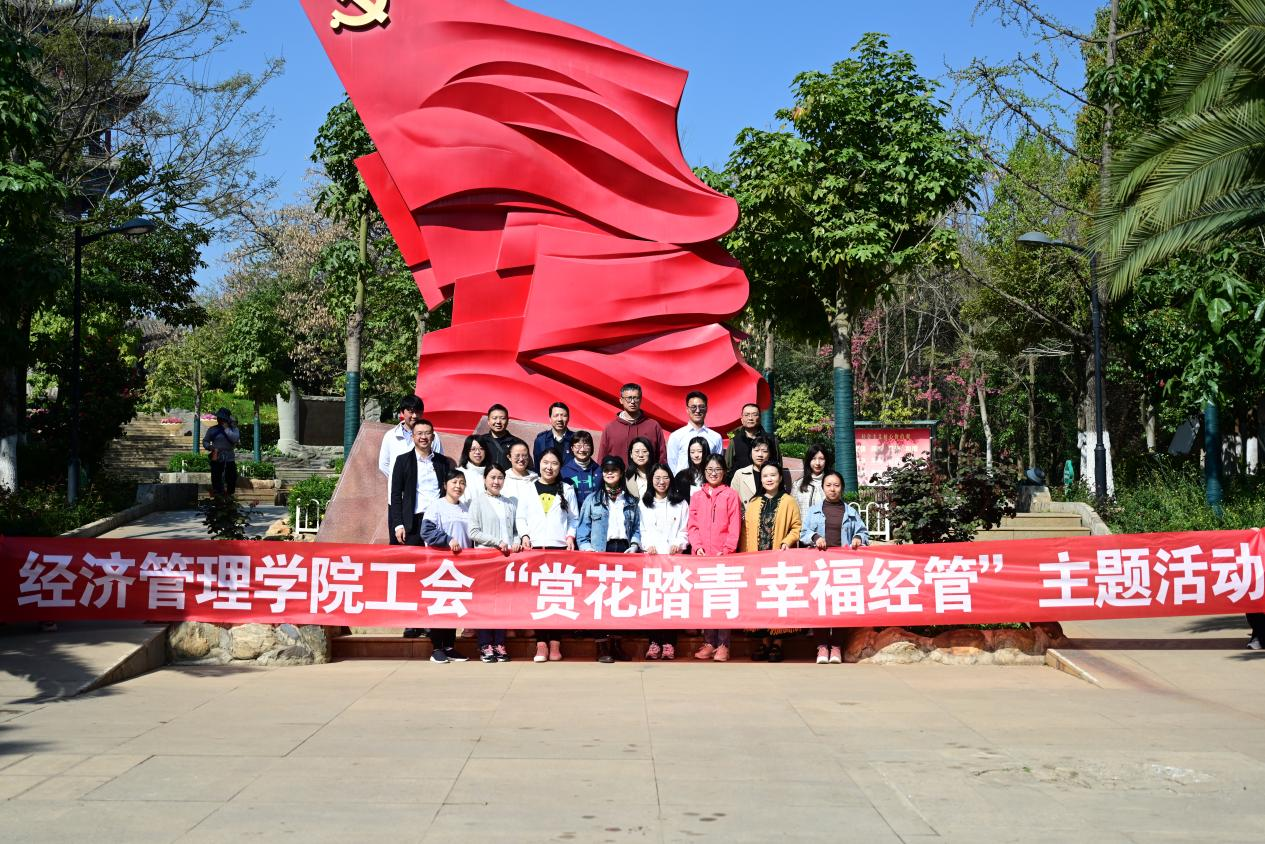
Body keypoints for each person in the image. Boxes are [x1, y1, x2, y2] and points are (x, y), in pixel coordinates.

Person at [388, 419, 457, 638]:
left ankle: (431, 621)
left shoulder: (443, 462)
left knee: (435, 571)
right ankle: (412, 620)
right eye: (419, 433)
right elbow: (395, 495)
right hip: (413, 522)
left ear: (433, 436)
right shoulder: (402, 461)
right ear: (413, 437)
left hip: (437, 522)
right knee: (413, 571)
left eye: (427, 433)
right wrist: (398, 524)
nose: (423, 437)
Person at [800, 470, 870, 664]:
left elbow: (864, 533)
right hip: (820, 565)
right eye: (829, 485)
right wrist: (815, 537)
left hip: (842, 566)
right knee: (821, 604)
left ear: (842, 488)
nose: (832, 489)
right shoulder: (814, 511)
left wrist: (858, 538)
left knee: (840, 604)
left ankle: (837, 647)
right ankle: (822, 646)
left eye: (836, 485)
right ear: (823, 488)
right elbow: (803, 533)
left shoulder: (851, 512)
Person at [516, 448, 578, 662]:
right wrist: (524, 535)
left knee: (557, 597)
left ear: (560, 467)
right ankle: (541, 643)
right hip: (536, 549)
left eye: (554, 463)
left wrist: (570, 536)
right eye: (545, 462)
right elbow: (520, 517)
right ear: (539, 464)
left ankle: (555, 642)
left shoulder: (567, 489)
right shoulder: (528, 488)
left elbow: (574, 518)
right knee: (539, 599)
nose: (549, 467)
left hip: (559, 549)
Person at [577, 455, 641, 663]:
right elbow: (582, 531)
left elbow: (637, 528)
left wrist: (634, 545)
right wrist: (588, 550)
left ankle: (617, 644)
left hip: (623, 551)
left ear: (621, 473)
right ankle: (602, 646)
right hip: (600, 552)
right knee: (600, 599)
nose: (609, 473)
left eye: (614, 470)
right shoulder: (592, 500)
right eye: (606, 470)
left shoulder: (631, 501)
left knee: (620, 599)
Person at [740, 462, 803, 663]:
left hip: (779, 562)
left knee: (778, 600)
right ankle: (764, 642)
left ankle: (777, 643)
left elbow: (797, 527)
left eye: (773, 475)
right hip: (757, 563)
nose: (769, 479)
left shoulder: (789, 501)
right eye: (765, 475)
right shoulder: (754, 503)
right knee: (760, 601)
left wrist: (787, 541)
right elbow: (745, 532)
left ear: (780, 478)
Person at [687, 453, 742, 662]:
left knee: (723, 600)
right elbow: (692, 526)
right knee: (706, 601)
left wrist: (727, 550)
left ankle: (723, 645)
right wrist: (697, 546)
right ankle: (709, 642)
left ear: (724, 472)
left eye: (717, 469)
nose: (713, 473)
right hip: (702, 558)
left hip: (723, 558)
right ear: (704, 471)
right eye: (709, 469)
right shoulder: (697, 496)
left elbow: (735, 526)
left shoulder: (731, 495)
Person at [468, 463, 521, 663]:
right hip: (485, 559)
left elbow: (514, 530)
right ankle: (485, 644)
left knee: (502, 602)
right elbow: (473, 532)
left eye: (500, 477)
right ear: (485, 479)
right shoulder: (477, 502)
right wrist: (496, 542)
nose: (496, 481)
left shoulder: (509, 503)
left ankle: (499, 642)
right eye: (492, 477)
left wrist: (516, 541)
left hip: (505, 560)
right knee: (485, 602)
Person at [418, 472, 472, 663]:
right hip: (440, 566)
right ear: (445, 485)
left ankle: (449, 646)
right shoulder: (437, 506)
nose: (458, 486)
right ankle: (436, 648)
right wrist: (447, 539)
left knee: (453, 606)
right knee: (439, 606)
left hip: (459, 568)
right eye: (454, 482)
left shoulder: (466, 509)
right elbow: (426, 532)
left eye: (462, 483)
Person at [640, 463, 688, 660]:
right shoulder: (644, 503)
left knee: (671, 602)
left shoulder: (681, 503)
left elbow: (685, 530)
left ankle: (669, 642)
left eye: (665, 477)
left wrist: (678, 544)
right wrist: (647, 545)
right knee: (653, 601)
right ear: (651, 480)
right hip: (652, 560)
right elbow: (641, 529)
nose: (661, 482)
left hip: (673, 560)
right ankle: (654, 642)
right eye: (657, 478)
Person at [379, 395, 444, 495]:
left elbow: (439, 463)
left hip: (425, 495)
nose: (414, 416)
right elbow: (384, 464)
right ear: (402, 412)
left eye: (418, 412)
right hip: (399, 494)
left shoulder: (432, 436)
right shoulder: (390, 436)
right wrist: (400, 480)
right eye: (410, 411)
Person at [599, 382, 666, 465]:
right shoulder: (610, 428)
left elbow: (662, 458)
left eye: (636, 398)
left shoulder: (653, 426)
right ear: (621, 400)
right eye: (629, 398)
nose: (632, 402)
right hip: (619, 473)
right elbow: (602, 458)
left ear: (641, 400)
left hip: (647, 473)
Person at [666, 390, 724, 473]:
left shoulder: (716, 437)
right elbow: (672, 464)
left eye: (701, 407)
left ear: (706, 408)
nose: (697, 410)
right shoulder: (676, 436)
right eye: (693, 407)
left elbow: (718, 463)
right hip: (683, 480)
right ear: (687, 409)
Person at [729, 402, 782, 472]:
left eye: (754, 415)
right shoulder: (735, 441)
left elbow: (779, 465)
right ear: (741, 419)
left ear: (760, 418)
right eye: (747, 415)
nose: (750, 418)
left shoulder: (771, 440)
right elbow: (728, 467)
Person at [729, 435, 781, 504]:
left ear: (770, 454)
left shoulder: (775, 473)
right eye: (756, 450)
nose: (760, 455)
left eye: (764, 451)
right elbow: (732, 500)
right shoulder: (740, 474)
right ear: (751, 452)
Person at [202, 408, 240, 496]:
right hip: (217, 457)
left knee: (231, 478)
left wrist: (227, 429)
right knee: (216, 478)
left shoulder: (234, 429)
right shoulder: (212, 430)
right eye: (218, 418)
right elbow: (205, 441)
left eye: (222, 418)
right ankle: (217, 495)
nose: (219, 420)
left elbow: (235, 439)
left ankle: (229, 496)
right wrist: (209, 447)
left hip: (229, 458)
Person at [561, 430, 600, 505]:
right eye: (578, 446)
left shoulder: (599, 470)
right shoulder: (564, 471)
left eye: (586, 445)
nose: (582, 450)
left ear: (591, 448)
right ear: (572, 448)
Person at [532, 401, 575, 468]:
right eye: (556, 415)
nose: (560, 419)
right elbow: (538, 467)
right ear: (550, 419)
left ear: (568, 418)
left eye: (564, 416)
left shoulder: (576, 439)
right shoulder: (541, 440)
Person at [482, 403, 526, 468]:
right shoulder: (481, 441)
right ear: (488, 421)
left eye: (502, 418)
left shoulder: (517, 443)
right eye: (494, 418)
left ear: (507, 421)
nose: (498, 422)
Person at [794, 443, 832, 515]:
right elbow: (792, 511)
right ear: (808, 461)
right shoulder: (798, 484)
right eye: (813, 458)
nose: (817, 463)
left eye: (821, 459)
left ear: (826, 460)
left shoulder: (832, 483)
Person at [672, 435, 709, 502]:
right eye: (692, 452)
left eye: (700, 451)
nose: (696, 455)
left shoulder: (712, 476)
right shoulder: (681, 476)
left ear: (706, 452)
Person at [457, 434, 491, 503]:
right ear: (467, 451)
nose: (477, 452)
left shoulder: (491, 473)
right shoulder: (460, 473)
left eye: (481, 448)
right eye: (473, 449)